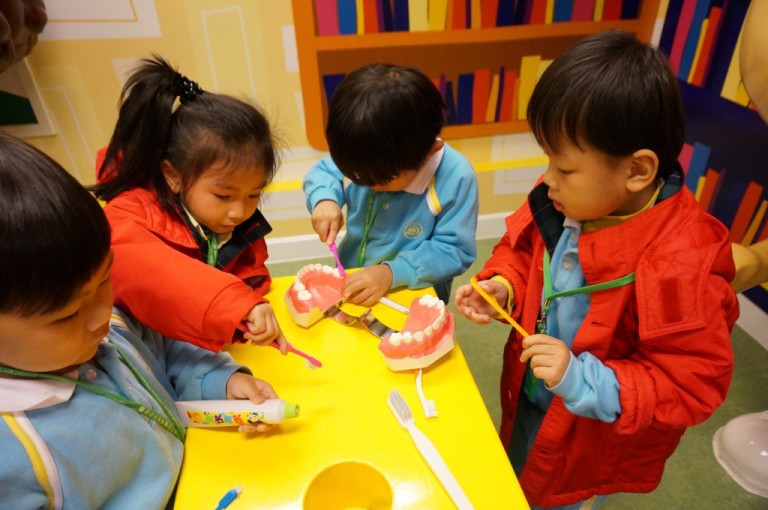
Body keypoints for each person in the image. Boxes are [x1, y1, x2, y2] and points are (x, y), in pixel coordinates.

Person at [454, 30, 739, 508]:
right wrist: (505, 285)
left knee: (558, 494)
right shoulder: (570, 198)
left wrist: (580, 378)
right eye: (549, 161)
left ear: (637, 171)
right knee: (516, 476)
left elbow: (689, 384)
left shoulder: (682, 266)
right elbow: (522, 251)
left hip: (590, 437)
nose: (547, 179)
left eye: (564, 169)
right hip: (532, 392)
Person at [0, 133, 279, 508]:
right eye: (66, 315)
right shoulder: (12, 459)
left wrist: (221, 381)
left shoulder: (109, 325)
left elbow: (164, 350)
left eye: (105, 281)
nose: (102, 316)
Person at [91, 56, 287, 353]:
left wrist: (250, 305)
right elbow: (143, 269)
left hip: (209, 346)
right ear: (173, 176)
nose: (239, 212)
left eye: (253, 195)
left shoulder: (223, 216)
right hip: (150, 350)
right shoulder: (130, 210)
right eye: (223, 196)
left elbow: (248, 270)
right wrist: (234, 304)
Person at [303, 63, 478, 305]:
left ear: (429, 152)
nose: (365, 184)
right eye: (356, 176)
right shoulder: (363, 153)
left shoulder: (456, 177)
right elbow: (324, 171)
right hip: (354, 279)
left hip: (413, 291)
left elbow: (454, 250)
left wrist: (392, 273)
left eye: (378, 181)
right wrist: (324, 199)